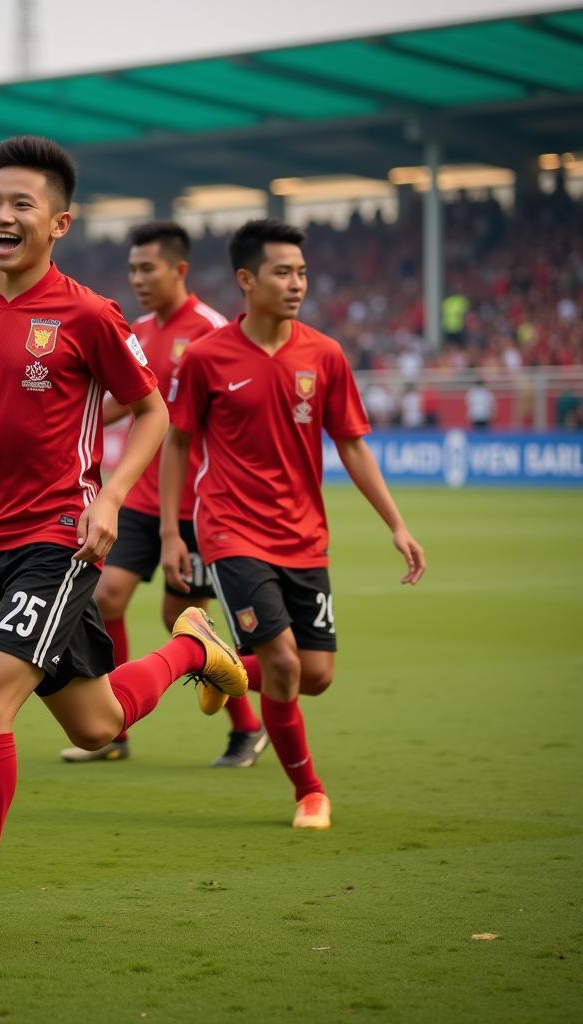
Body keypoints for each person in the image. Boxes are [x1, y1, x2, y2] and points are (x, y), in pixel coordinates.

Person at [0, 136, 247, 946]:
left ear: (59, 222)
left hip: (61, 540)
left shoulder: (89, 314)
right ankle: (192, 648)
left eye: (21, 205)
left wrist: (109, 496)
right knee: (95, 725)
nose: (2, 217)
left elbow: (152, 413)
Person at [161, 218, 426, 830]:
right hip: (230, 528)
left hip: (304, 535)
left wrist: (397, 524)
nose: (296, 283)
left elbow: (353, 445)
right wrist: (175, 535)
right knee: (281, 663)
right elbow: (177, 444)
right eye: (283, 272)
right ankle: (310, 792)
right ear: (246, 281)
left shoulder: (324, 354)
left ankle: (214, 660)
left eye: (302, 272)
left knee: (317, 676)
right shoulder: (206, 358)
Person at [59, 221, 267, 769]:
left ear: (179, 269)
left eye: (146, 268)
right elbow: (128, 402)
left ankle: (247, 727)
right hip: (136, 499)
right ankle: (115, 729)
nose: (137, 279)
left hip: (194, 504)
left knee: (183, 617)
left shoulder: (214, 331)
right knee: (107, 598)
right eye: (131, 269)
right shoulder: (137, 330)